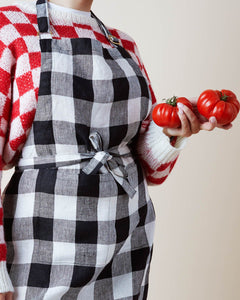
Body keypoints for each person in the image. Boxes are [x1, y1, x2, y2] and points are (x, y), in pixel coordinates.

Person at [0, 0, 233, 299]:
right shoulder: (12, 28)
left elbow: (150, 168)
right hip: (46, 238)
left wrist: (172, 133)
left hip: (128, 236)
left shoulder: (123, 43)